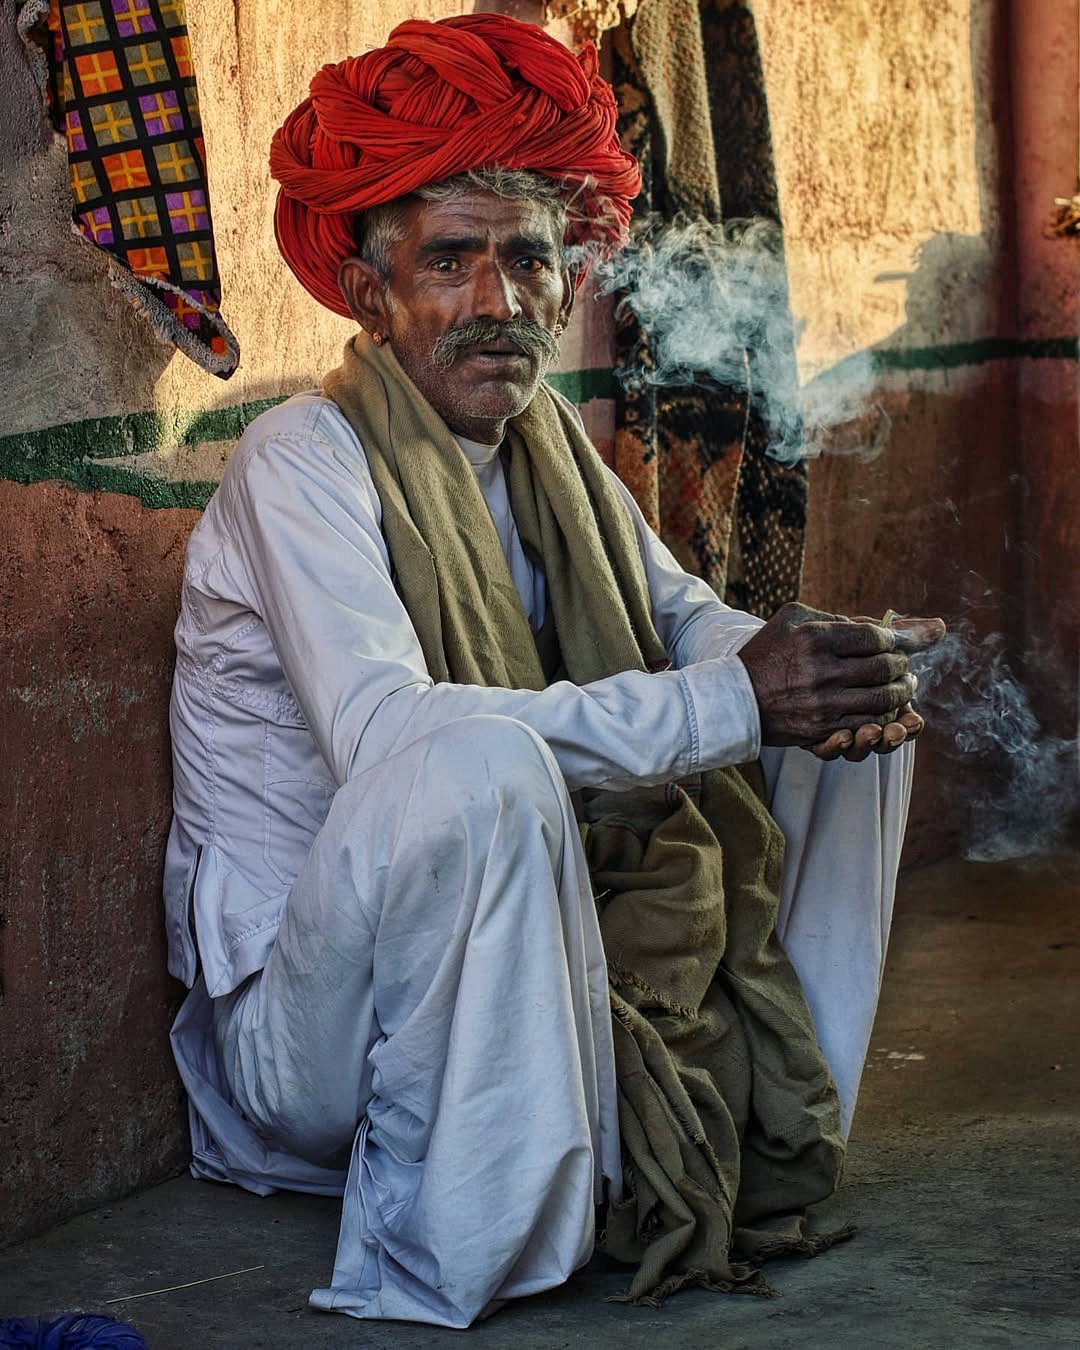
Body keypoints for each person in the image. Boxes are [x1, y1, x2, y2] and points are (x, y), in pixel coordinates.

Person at [163, 13, 944, 1329]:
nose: (497, 304)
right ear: (371, 291)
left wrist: (792, 664)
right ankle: (480, 1232)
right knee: (471, 758)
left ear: (568, 278)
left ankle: (758, 1128)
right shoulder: (302, 457)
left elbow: (690, 618)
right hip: (312, 1041)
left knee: (854, 696)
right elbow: (386, 733)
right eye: (451, 262)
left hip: (514, 968)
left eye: (526, 262)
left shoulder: (553, 455)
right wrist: (730, 694)